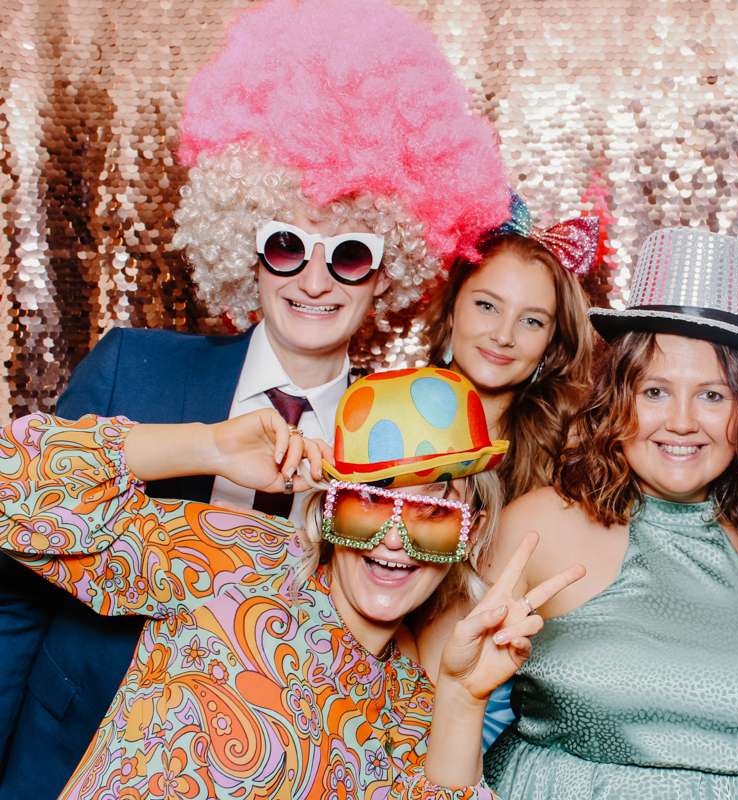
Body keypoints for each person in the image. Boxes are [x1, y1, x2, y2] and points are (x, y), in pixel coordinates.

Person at [0, 0, 510, 794]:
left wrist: (461, 699)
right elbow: (19, 554)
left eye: (348, 254)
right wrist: (205, 443)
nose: (313, 279)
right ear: (247, 245)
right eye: (286, 245)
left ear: (388, 268)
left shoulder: (392, 433)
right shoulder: (147, 385)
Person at [0, 368, 581, 799]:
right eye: (369, 506)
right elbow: (13, 485)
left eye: (432, 517)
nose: (394, 541)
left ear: (470, 536)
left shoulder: (412, 698)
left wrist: (462, 699)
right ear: (327, 509)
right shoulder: (240, 560)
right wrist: (208, 446)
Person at [481, 227, 738, 798]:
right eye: (654, 391)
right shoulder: (540, 523)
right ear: (617, 399)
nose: (680, 422)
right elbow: (433, 692)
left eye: (712, 394)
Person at [412, 191, 598, 748]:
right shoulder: (383, 419)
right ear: (450, 312)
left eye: (532, 320)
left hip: (506, 723)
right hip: (377, 701)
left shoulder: (573, 456)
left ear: (549, 343)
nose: (503, 335)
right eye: (487, 305)